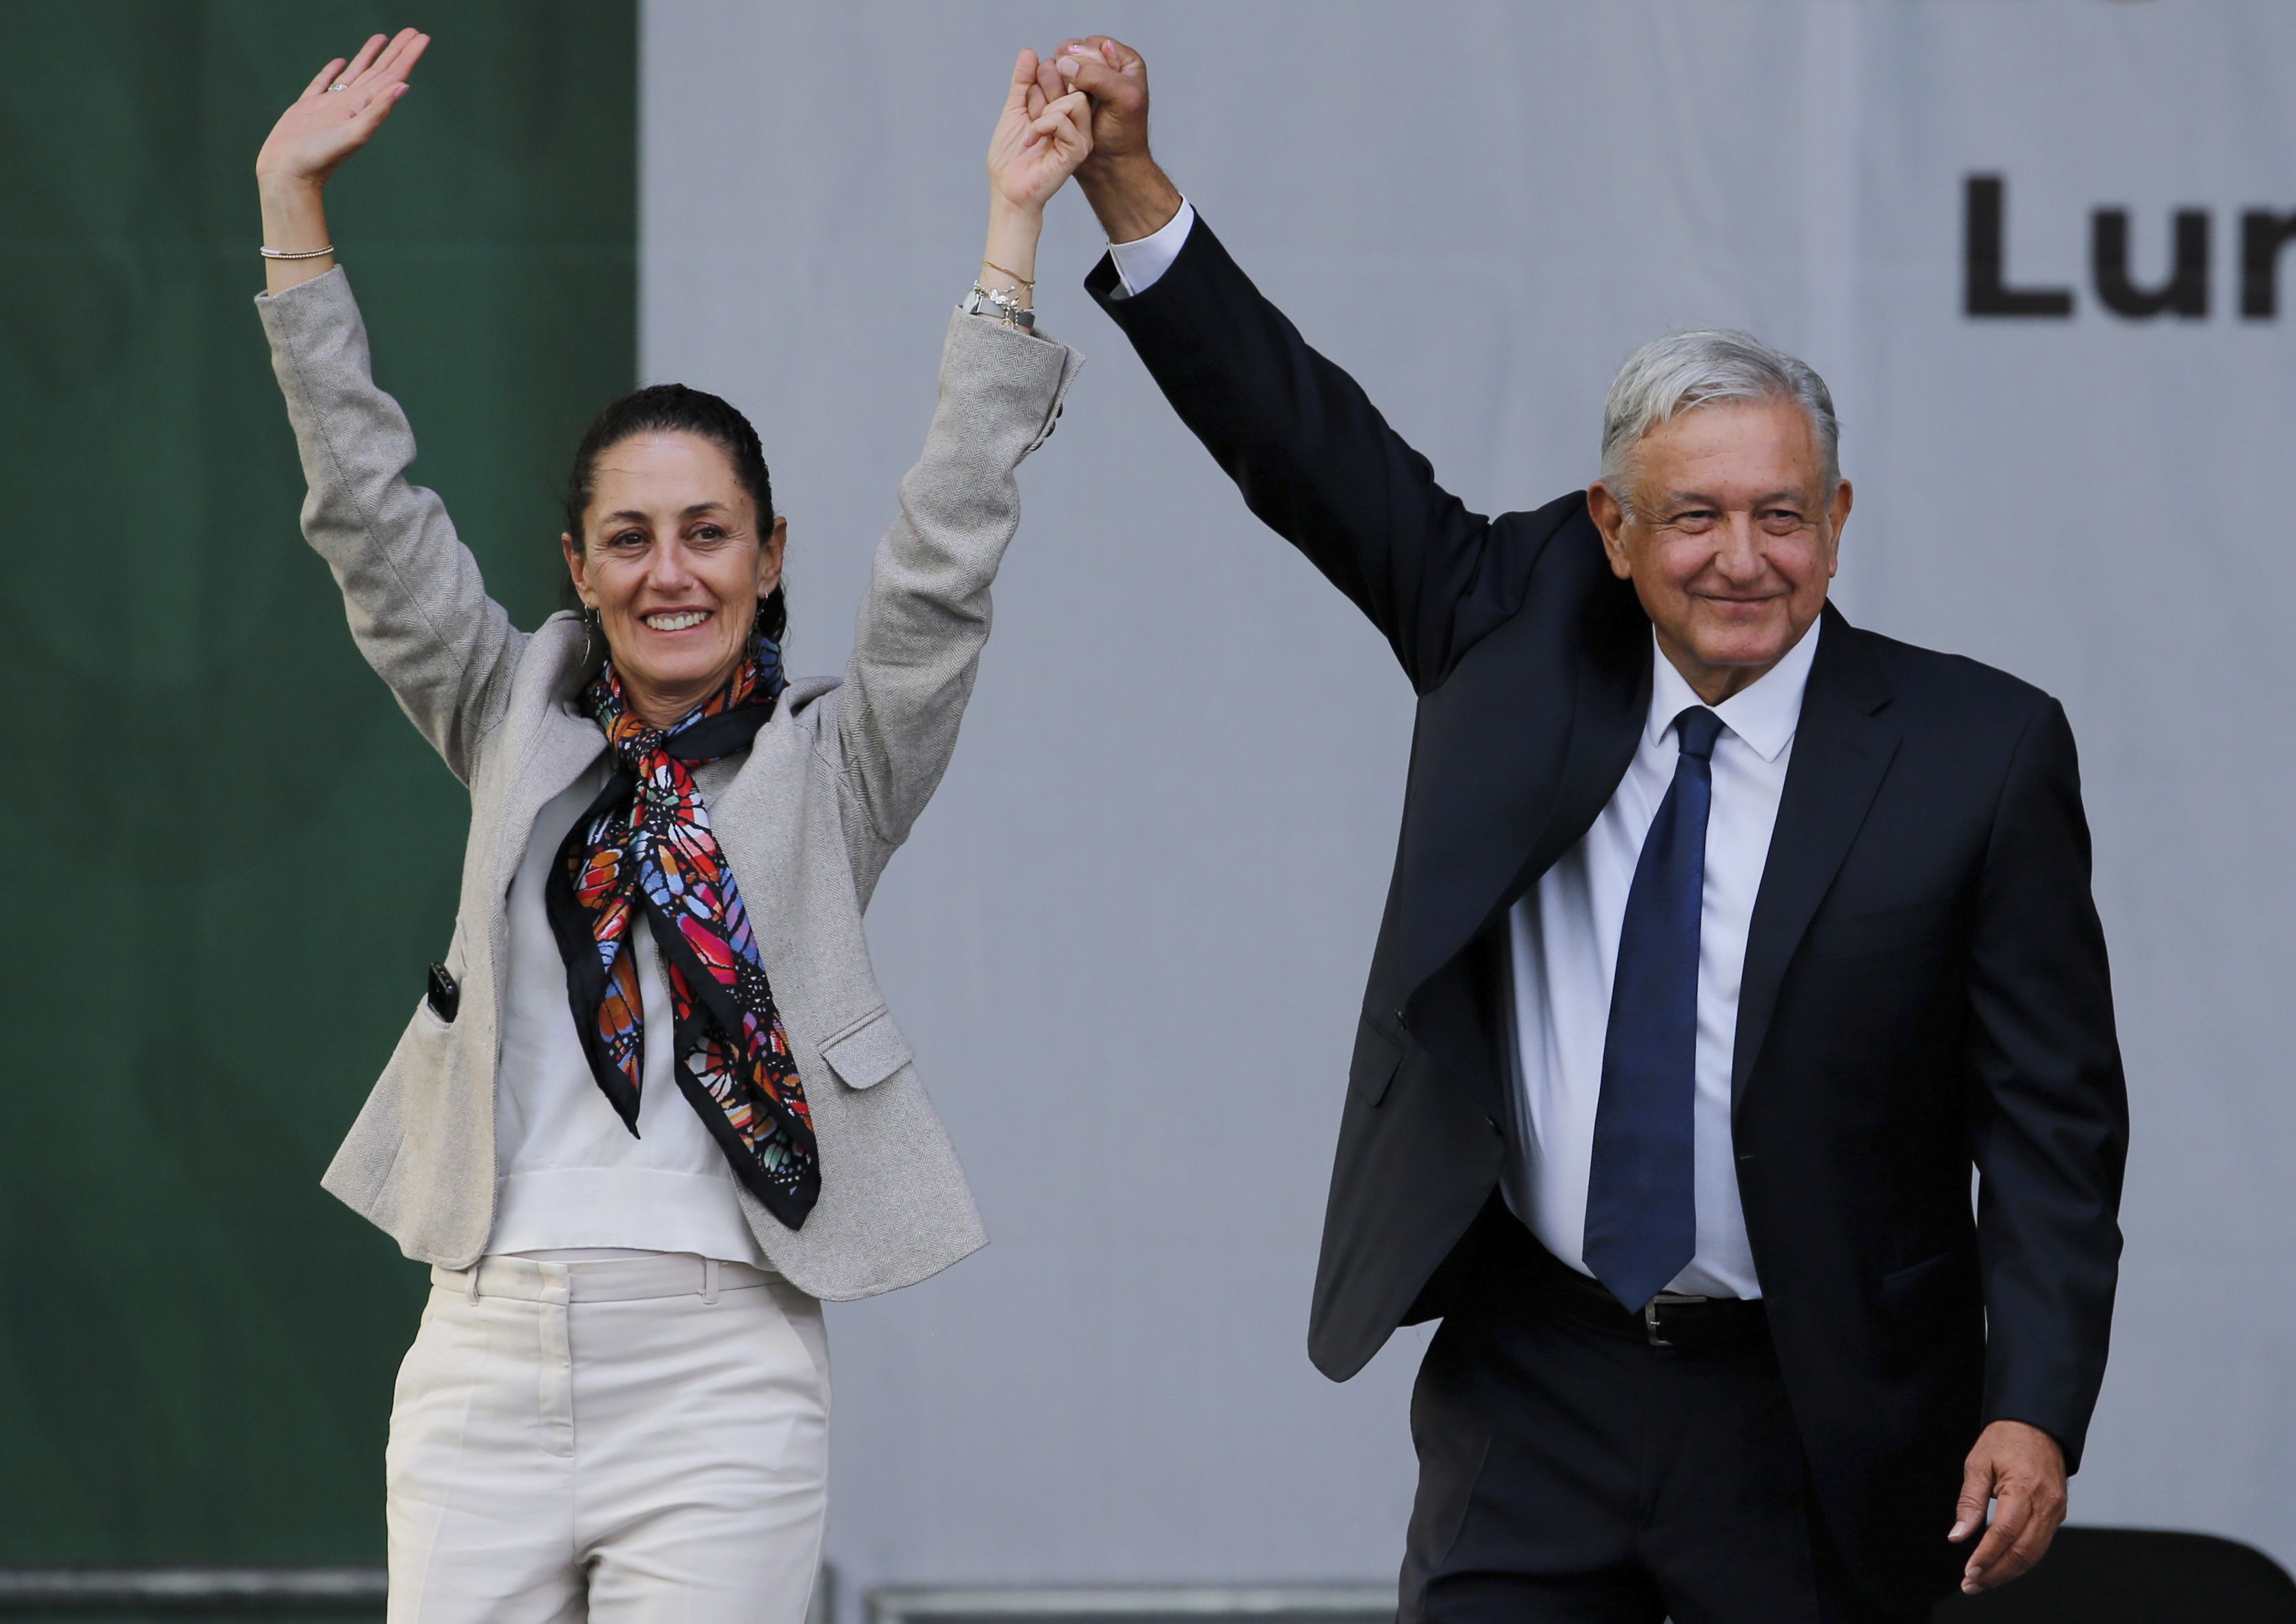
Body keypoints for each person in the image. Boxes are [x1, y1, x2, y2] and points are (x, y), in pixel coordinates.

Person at [1040, 36, 2127, 1624]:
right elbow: (1299, 439)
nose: (1738, 558)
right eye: (1690, 516)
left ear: (1836, 522)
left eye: (1777, 515)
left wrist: (2032, 1401)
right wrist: (1123, 180)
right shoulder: (1505, 626)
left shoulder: (1978, 748)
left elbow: (2048, 1125)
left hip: (1815, 1396)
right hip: (1536, 1373)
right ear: (1612, 532)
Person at [253, 29, 1089, 1623]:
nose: (670, 572)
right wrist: (294, 216)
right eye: (628, 540)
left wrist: (1009, 236)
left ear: (769, 555)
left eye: (707, 534)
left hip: (723, 1364)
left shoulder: (833, 764)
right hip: (485, 1345)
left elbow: (941, 562)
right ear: (578, 566)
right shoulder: (511, 717)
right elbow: (367, 519)